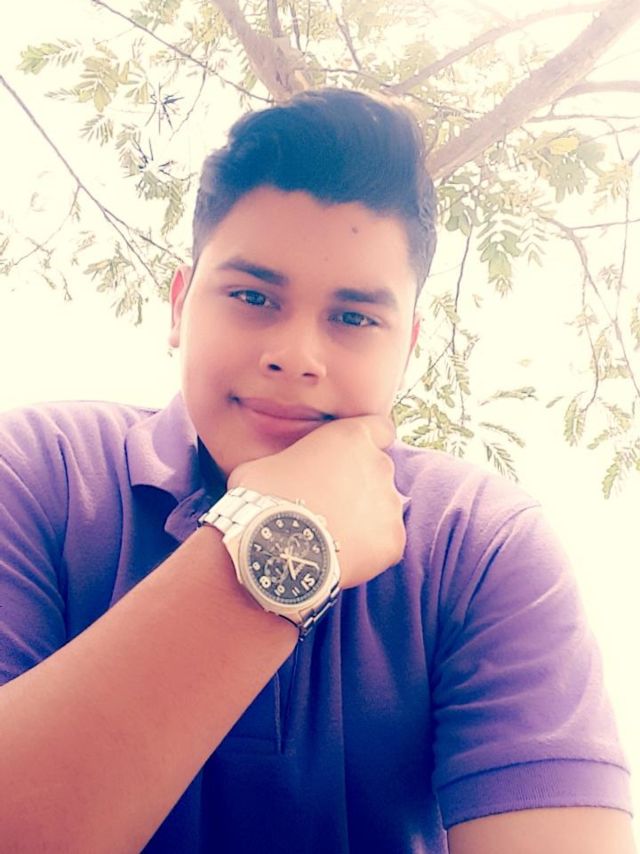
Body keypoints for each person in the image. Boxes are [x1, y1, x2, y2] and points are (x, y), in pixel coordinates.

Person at [0, 88, 634, 854]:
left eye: (355, 318)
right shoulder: (38, 477)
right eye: (252, 296)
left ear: (407, 348)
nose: (296, 356)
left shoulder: (480, 547)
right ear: (178, 306)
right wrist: (284, 536)